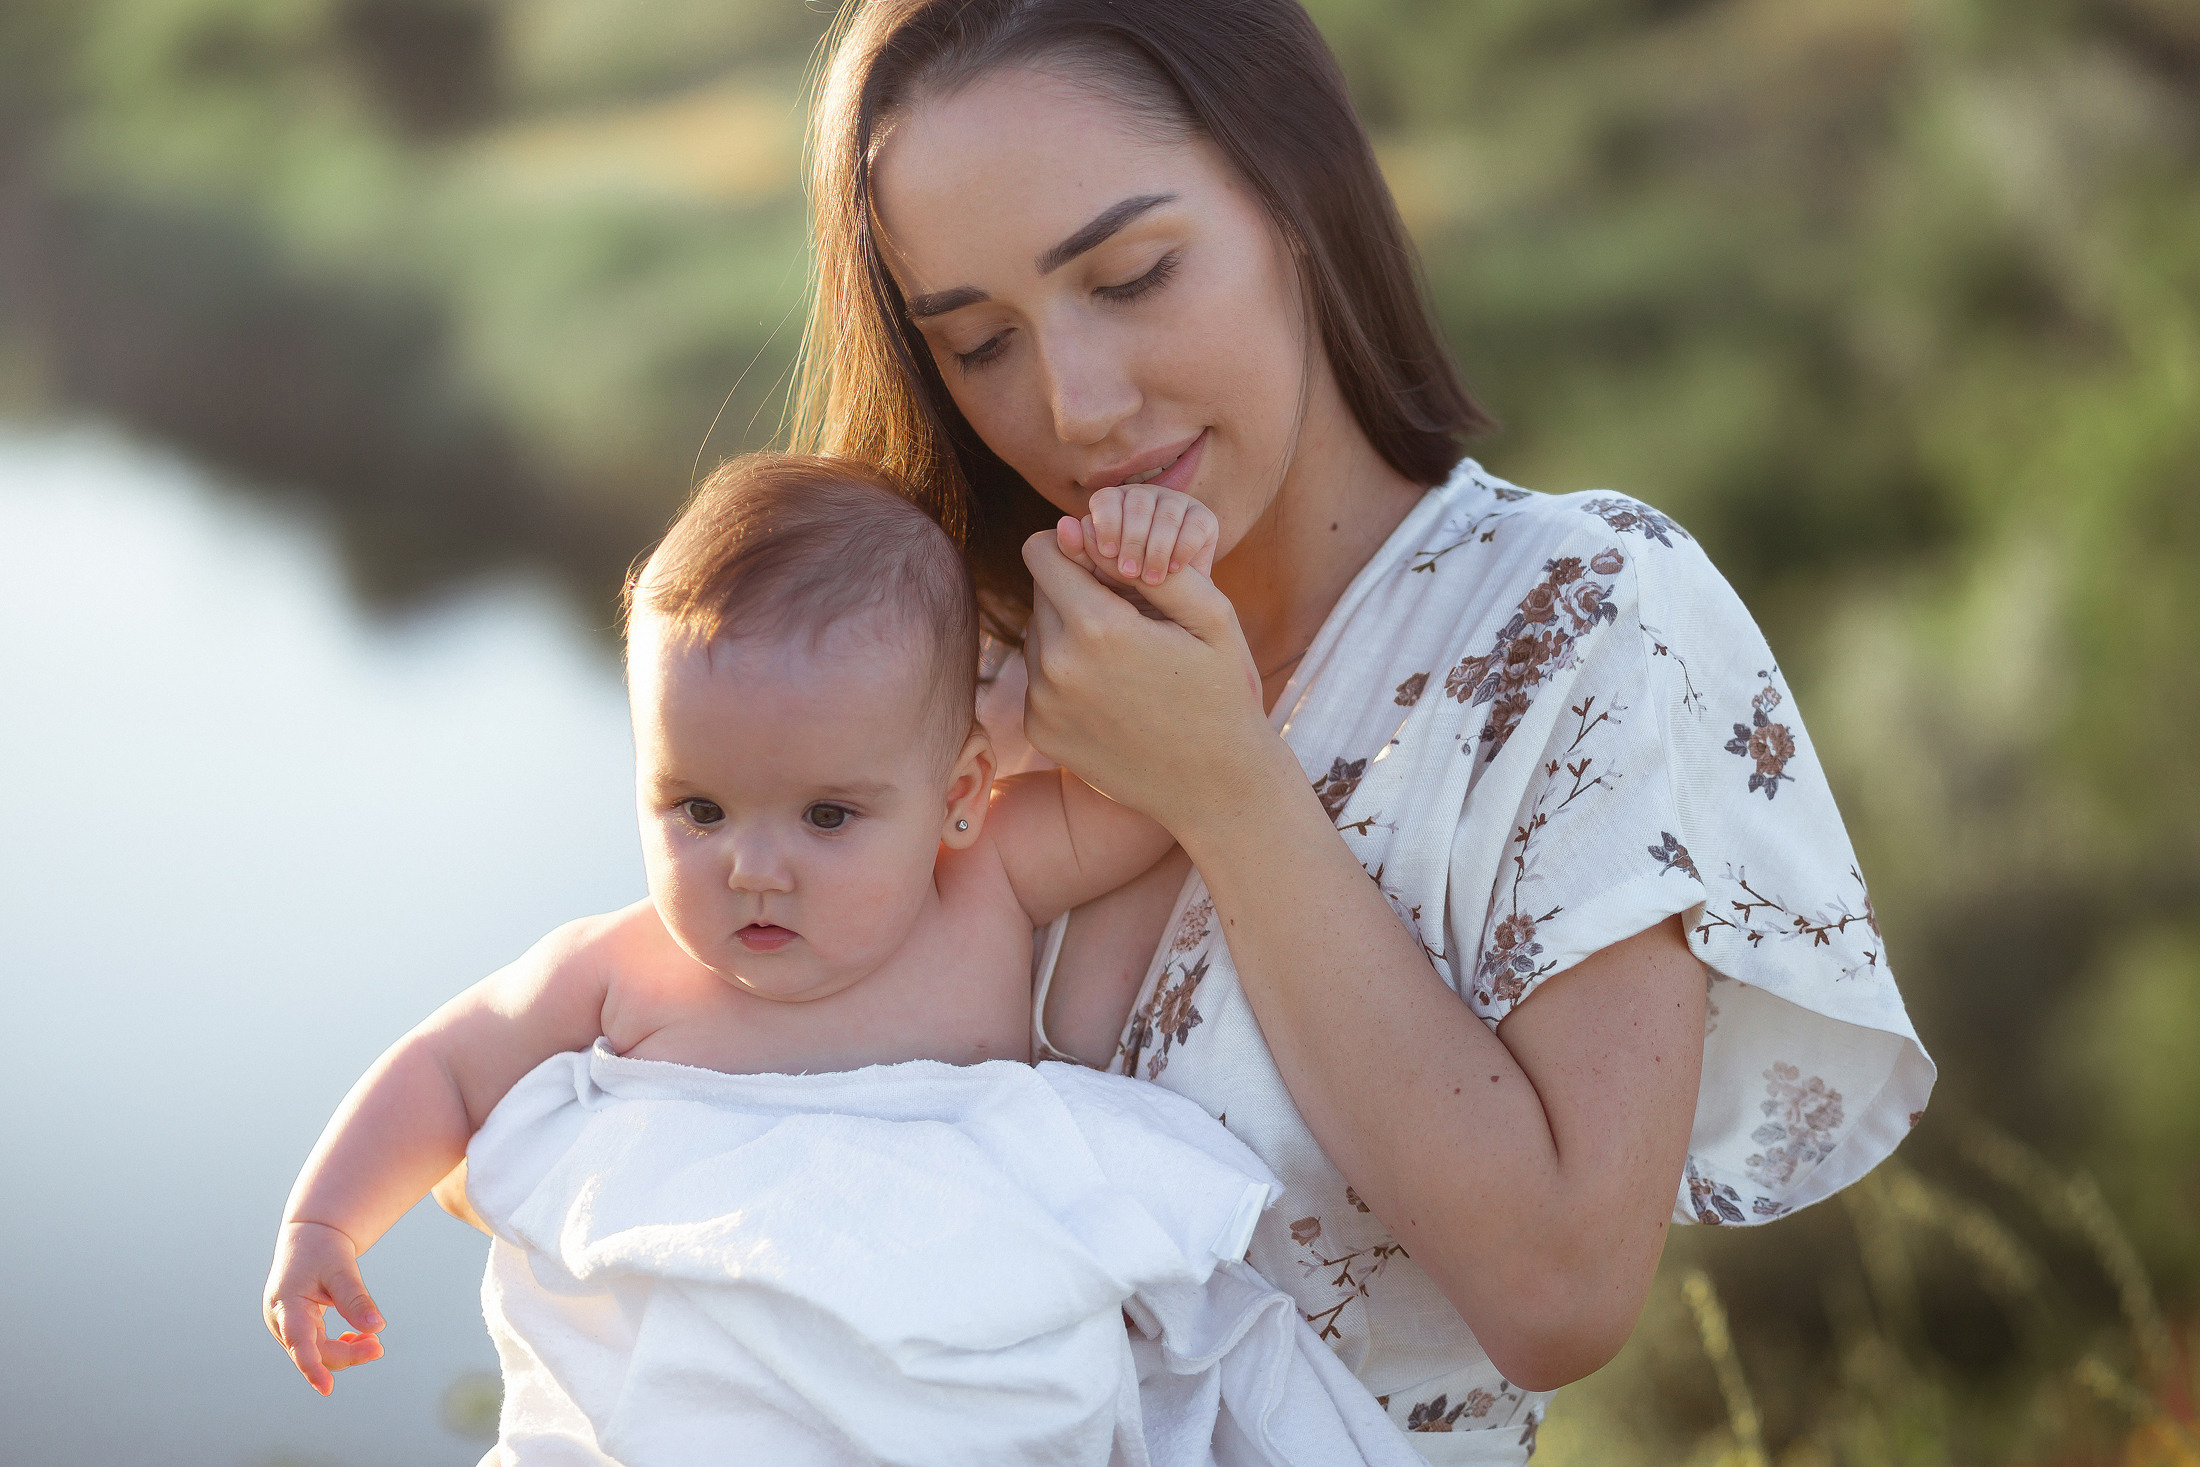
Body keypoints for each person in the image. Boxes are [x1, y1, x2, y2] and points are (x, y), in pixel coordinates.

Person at [793, 0, 1936, 1457]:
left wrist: (1226, 787)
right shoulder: (967, 659)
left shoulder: (1574, 617)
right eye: (979, 342)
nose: (1075, 405)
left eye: (1133, 275)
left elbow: (1561, 1284)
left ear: (1299, 200)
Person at [267, 457, 1427, 1463]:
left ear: (961, 795)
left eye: (828, 817)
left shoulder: (983, 884)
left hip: (957, 1380)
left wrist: (1161, 587)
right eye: (698, 808)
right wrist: (326, 1227)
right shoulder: (622, 969)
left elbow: (1172, 778)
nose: (753, 868)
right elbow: (442, 1071)